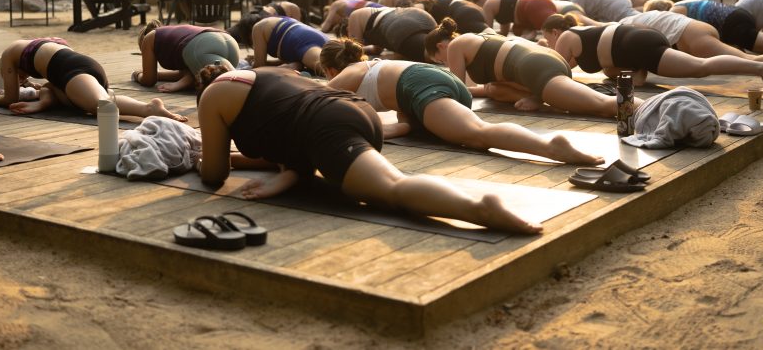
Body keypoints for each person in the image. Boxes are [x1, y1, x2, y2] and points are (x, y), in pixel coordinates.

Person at [195, 65, 542, 234]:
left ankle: (479, 209)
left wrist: (193, 161)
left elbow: (213, 175)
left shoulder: (213, 97)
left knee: (392, 189)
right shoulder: (266, 74)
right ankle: (477, 205)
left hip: (327, 127)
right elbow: (285, 136)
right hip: (355, 112)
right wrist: (274, 170)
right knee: (377, 188)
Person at [320, 38, 603, 166]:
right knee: (450, 130)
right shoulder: (375, 70)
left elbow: (312, 99)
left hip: (421, 84)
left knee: (477, 135)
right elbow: (401, 126)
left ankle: (549, 147)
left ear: (330, 69)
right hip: (437, 83)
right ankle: (548, 146)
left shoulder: (349, 74)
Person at [424, 18, 639, 116]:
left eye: (440, 60)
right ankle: (538, 96)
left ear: (441, 46)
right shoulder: (483, 36)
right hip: (544, 60)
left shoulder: (455, 46)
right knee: (494, 90)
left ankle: (661, 108)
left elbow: (457, 92)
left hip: (537, 69)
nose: (446, 64)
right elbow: (492, 86)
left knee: (601, 105)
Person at [540, 13, 763, 86]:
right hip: (633, 40)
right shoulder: (582, 35)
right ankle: (758, 66)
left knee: (700, 67)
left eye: (547, 39)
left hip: (633, 44)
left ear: (555, 32)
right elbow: (571, 66)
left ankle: (760, 67)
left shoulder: (565, 38)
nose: (549, 45)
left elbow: (558, 72)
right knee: (613, 74)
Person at [614, 3, 763, 76]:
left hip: (691, 34)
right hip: (699, 28)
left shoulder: (623, 26)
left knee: (746, 60)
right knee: (748, 56)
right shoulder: (639, 17)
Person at [0, 38, 188, 120]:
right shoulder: (32, 48)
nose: (20, 79)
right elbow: (48, 84)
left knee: (101, 107)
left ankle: (148, 108)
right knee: (95, 104)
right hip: (80, 70)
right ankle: (147, 108)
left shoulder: (9, 54)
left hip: (75, 71)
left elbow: (10, 98)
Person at [132, 20, 242, 92]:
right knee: (226, 80)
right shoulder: (173, 34)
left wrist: (138, 75)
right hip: (229, 42)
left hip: (201, 47)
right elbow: (188, 71)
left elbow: (148, 80)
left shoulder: (148, 39)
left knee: (233, 86)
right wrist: (159, 75)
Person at [346, 6, 437, 62]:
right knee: (439, 43)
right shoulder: (371, 16)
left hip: (400, 26)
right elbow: (376, 50)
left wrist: (395, 57)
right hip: (421, 16)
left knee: (435, 53)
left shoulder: (354, 16)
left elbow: (353, 52)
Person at [250, 16, 328, 73]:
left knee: (330, 69)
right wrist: (268, 62)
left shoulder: (257, 28)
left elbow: (259, 66)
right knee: (332, 64)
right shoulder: (275, 20)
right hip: (317, 37)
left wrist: (250, 64)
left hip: (303, 43)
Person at [478, 0, 559, 38]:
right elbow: (503, 34)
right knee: (517, 30)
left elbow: (487, 33)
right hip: (539, 1)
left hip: (532, 6)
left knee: (558, 30)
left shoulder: (488, 4)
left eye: (477, 5)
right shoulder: (498, 1)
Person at [413, 0, 492, 35]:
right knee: (489, 36)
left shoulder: (419, 5)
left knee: (491, 36)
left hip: (462, 14)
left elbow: (416, 11)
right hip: (471, 10)